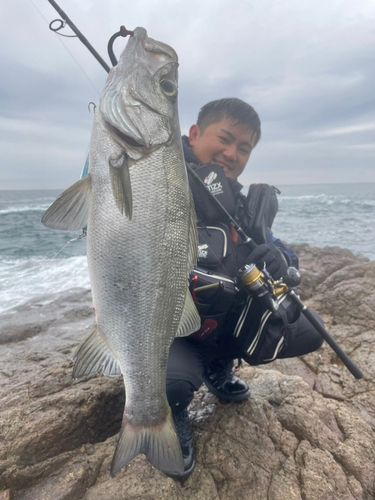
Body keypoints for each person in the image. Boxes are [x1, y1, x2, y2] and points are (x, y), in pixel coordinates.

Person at [166, 98, 324, 479]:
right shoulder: (162, 179)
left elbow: (278, 245)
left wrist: (282, 260)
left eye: (243, 147)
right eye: (224, 138)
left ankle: (219, 365)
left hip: (224, 323)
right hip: (171, 329)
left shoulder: (239, 204)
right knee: (173, 385)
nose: (231, 153)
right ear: (194, 134)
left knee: (309, 328)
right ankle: (170, 410)